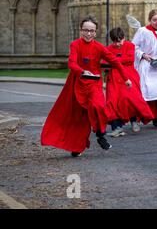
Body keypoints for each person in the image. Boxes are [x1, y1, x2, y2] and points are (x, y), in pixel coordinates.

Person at [41, 16, 132, 157]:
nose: (88, 33)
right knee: (79, 117)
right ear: (81, 31)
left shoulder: (99, 47)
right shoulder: (75, 44)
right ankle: (77, 146)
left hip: (94, 83)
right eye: (86, 30)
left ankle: (101, 135)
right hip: (77, 83)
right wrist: (82, 71)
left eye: (91, 31)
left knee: (98, 106)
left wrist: (126, 78)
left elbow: (115, 62)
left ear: (95, 33)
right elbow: (72, 63)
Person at [104, 27, 155, 137]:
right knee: (112, 101)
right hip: (113, 77)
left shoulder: (130, 46)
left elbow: (129, 59)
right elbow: (104, 61)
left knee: (130, 99)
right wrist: (112, 63)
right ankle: (117, 127)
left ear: (124, 38)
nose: (117, 44)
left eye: (119, 40)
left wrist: (113, 61)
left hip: (128, 76)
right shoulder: (108, 48)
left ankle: (134, 120)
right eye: (115, 41)